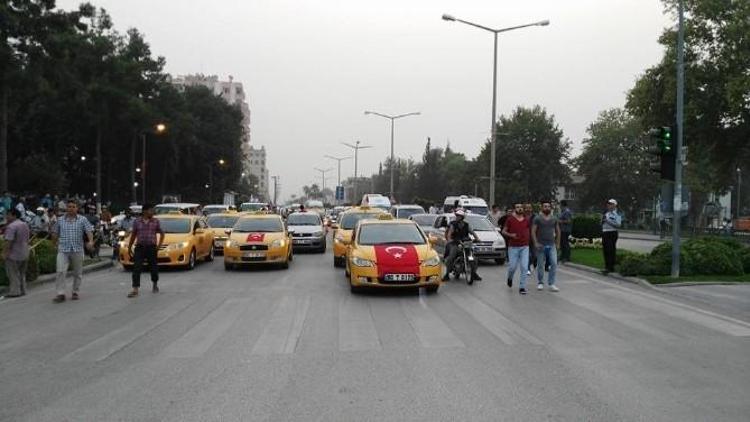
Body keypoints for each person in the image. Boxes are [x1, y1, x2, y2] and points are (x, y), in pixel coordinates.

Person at [51, 200, 94, 302]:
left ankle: (75, 291)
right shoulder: (60, 220)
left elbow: (89, 231)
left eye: (73, 207)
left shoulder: (82, 219)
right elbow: (55, 233)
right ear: (66, 208)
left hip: (77, 249)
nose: (71, 209)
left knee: (78, 272)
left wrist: (91, 241)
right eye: (69, 207)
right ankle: (60, 293)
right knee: (60, 271)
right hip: (63, 250)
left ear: (77, 208)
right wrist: (54, 244)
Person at [127, 203, 165, 298]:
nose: (152, 212)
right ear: (144, 211)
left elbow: (162, 233)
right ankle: (135, 289)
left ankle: (155, 284)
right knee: (137, 268)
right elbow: (133, 235)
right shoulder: (137, 222)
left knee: (153, 267)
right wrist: (129, 247)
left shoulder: (155, 221)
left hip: (151, 248)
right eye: (150, 210)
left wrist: (158, 246)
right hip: (140, 247)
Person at [443, 209, 482, 282]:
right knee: (451, 256)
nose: (457, 217)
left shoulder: (466, 225)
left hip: (465, 243)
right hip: (455, 243)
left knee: (474, 258)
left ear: (462, 217)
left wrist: (477, 239)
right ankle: (447, 274)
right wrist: (449, 240)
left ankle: (474, 273)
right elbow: (449, 234)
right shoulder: (453, 224)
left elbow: (472, 232)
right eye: (457, 216)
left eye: (459, 216)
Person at [532, 201, 561, 292]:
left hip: (551, 244)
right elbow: (533, 231)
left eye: (548, 206)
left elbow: (558, 231)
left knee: (554, 263)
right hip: (541, 245)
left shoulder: (554, 218)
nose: (547, 208)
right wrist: (535, 243)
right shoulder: (537, 218)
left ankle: (551, 283)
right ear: (542, 208)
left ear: (550, 208)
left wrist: (558, 243)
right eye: (545, 206)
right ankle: (540, 282)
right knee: (540, 265)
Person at [502, 202, 531, 295]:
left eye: (521, 207)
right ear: (515, 209)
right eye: (517, 207)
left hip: (524, 246)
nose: (519, 209)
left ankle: (522, 287)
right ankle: (510, 278)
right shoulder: (510, 219)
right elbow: (503, 231)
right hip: (513, 247)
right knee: (512, 267)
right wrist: (511, 235)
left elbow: (528, 230)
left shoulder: (526, 220)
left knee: (524, 266)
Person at [3, 209, 30, 298]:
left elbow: (8, 242)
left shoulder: (11, 227)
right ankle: (23, 290)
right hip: (25, 251)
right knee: (22, 273)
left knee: (13, 273)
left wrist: (5, 253)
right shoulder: (24, 224)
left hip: (13, 254)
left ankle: (15, 291)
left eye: (8, 215)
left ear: (14, 216)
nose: (6, 217)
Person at [601, 198, 622, 274]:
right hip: (605, 232)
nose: (608, 205)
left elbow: (618, 224)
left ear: (614, 205)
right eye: (608, 204)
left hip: (612, 233)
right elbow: (603, 222)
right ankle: (606, 266)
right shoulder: (606, 213)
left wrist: (608, 221)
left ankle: (611, 267)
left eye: (610, 204)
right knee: (605, 250)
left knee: (611, 250)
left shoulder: (617, 214)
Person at [524, 203, 536, 275]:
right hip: (525, 238)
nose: (528, 209)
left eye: (529, 208)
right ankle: (527, 268)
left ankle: (532, 263)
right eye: (527, 208)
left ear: (531, 209)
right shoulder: (522, 216)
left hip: (534, 238)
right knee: (528, 255)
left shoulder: (535, 217)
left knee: (534, 255)